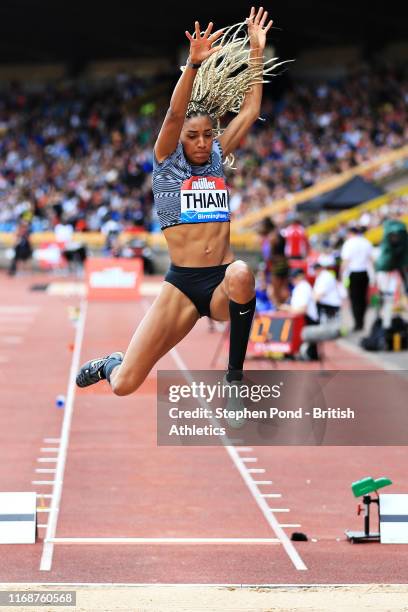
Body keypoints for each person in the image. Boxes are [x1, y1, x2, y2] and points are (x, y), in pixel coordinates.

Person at [76, 8, 281, 394]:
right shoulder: (167, 165)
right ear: (180, 138)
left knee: (241, 272)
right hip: (182, 285)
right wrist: (192, 65)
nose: (203, 142)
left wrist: (256, 51)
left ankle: (234, 377)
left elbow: (252, 110)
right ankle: (110, 364)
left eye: (208, 134)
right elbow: (173, 113)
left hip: (220, 282)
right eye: (194, 136)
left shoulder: (218, 156)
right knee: (124, 385)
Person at [279, 268, 319, 360]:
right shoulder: (299, 287)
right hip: (302, 319)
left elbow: (301, 310)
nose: (293, 280)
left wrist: (286, 308)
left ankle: (301, 353)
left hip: (308, 321)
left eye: (294, 278)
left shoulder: (303, 287)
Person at [340, 226, 374, 331]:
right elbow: (371, 259)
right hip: (364, 272)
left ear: (350, 233)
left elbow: (346, 261)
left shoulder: (349, 243)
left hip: (354, 273)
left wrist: (340, 274)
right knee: (363, 298)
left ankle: (357, 322)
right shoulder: (366, 242)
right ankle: (361, 320)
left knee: (355, 299)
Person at [312, 254, 342, 322]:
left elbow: (319, 295)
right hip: (326, 304)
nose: (315, 271)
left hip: (330, 306)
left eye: (316, 269)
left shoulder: (325, 277)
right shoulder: (320, 276)